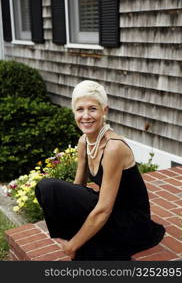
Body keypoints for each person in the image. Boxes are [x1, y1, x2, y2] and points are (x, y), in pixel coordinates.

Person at [35, 80, 165, 260]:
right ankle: (86, 235)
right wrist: (69, 210)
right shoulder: (84, 142)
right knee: (47, 189)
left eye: (92, 109)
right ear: (74, 112)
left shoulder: (113, 148)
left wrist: (73, 245)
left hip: (130, 222)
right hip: (111, 211)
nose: (86, 116)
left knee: (86, 246)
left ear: (105, 111)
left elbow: (104, 209)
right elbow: (78, 186)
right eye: (80, 109)